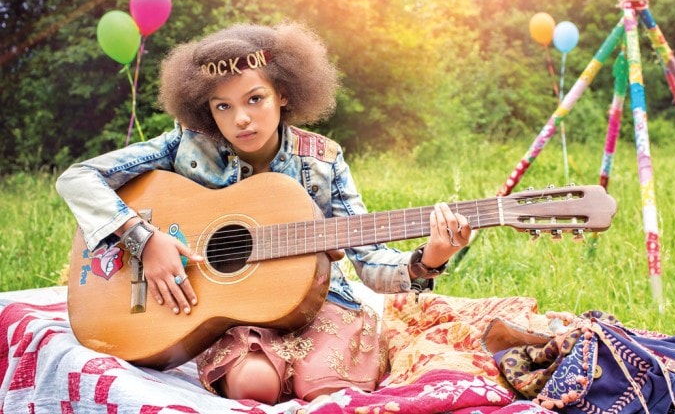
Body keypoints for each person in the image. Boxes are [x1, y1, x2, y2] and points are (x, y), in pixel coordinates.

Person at [56, 21, 472, 404]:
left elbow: (369, 261)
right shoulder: (186, 144)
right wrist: (143, 240)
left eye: (255, 99)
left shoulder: (322, 161)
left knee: (325, 390)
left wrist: (427, 259)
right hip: (232, 313)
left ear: (284, 94)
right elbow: (77, 179)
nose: (240, 118)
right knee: (253, 385)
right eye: (222, 106)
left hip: (320, 303)